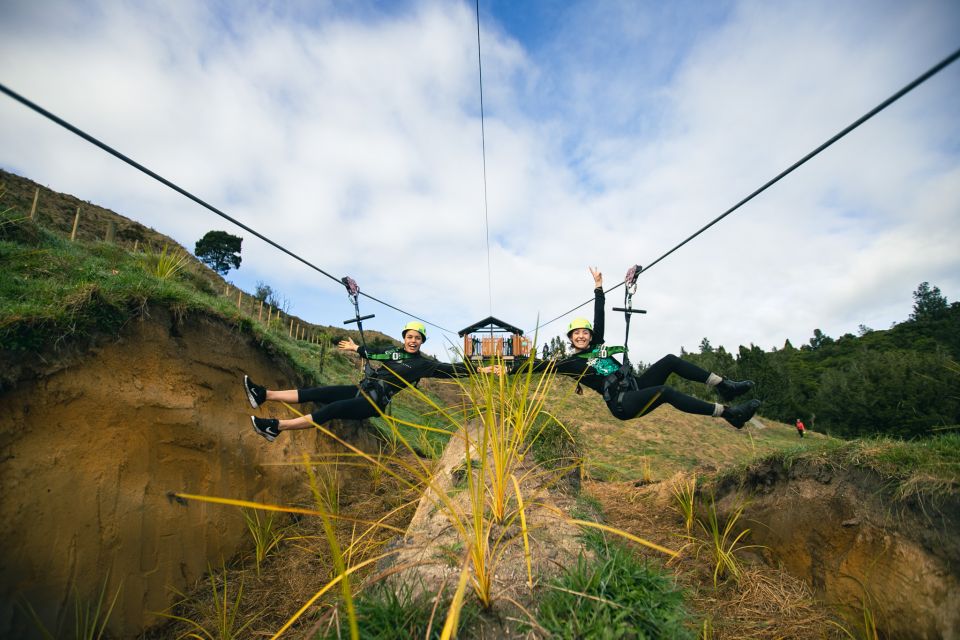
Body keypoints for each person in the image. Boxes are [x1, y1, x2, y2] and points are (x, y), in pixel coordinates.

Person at [519, 267, 761, 429]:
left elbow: (599, 315)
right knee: (665, 392)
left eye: (585, 332)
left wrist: (599, 286)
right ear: (571, 339)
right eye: (576, 334)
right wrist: (504, 369)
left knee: (670, 360)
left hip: (635, 385)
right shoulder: (571, 363)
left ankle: (724, 385)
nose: (581, 336)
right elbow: (538, 366)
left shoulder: (599, 345)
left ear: (590, 335)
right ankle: (730, 414)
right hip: (622, 402)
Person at [244, 321, 497, 442]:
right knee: (318, 391)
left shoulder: (424, 364)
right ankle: (263, 395)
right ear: (404, 337)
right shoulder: (393, 352)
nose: (412, 341)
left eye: (417, 338)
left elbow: (452, 369)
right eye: (409, 336)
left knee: (331, 410)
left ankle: (275, 427)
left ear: (422, 342)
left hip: (372, 403)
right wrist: (357, 348)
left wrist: (482, 370)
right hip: (362, 390)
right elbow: (372, 353)